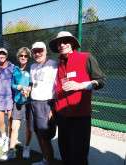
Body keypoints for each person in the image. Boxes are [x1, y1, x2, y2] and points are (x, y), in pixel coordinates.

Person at [49, 31, 106, 165]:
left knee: (78, 156)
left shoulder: (86, 57)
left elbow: (101, 81)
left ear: (73, 43)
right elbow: (58, 91)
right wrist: (53, 109)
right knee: (65, 152)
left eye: (65, 41)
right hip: (62, 117)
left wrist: (81, 85)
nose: (61, 45)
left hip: (79, 118)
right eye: (58, 43)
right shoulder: (60, 64)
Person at [0, 47, 33, 162]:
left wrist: (29, 89)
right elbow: (12, 84)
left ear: (28, 57)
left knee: (29, 127)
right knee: (14, 127)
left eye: (26, 55)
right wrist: (16, 87)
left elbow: (35, 84)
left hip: (29, 102)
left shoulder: (32, 68)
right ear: (18, 57)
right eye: (21, 55)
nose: (23, 57)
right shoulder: (15, 69)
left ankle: (26, 147)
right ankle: (11, 151)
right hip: (17, 101)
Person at [28, 42, 58, 165]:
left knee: (45, 138)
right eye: (35, 51)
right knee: (37, 134)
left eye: (40, 50)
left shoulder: (54, 65)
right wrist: (28, 89)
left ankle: (49, 162)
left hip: (46, 104)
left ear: (45, 51)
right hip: (33, 103)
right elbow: (32, 84)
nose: (37, 53)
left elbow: (59, 89)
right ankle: (44, 160)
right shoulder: (33, 66)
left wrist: (53, 108)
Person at [0, 47, 15, 152]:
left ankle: (8, 140)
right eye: (0, 54)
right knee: (0, 121)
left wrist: (14, 99)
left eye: (3, 54)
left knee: (11, 120)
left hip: (9, 98)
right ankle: (3, 136)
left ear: (6, 55)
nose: (2, 56)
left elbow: (15, 82)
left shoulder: (12, 67)